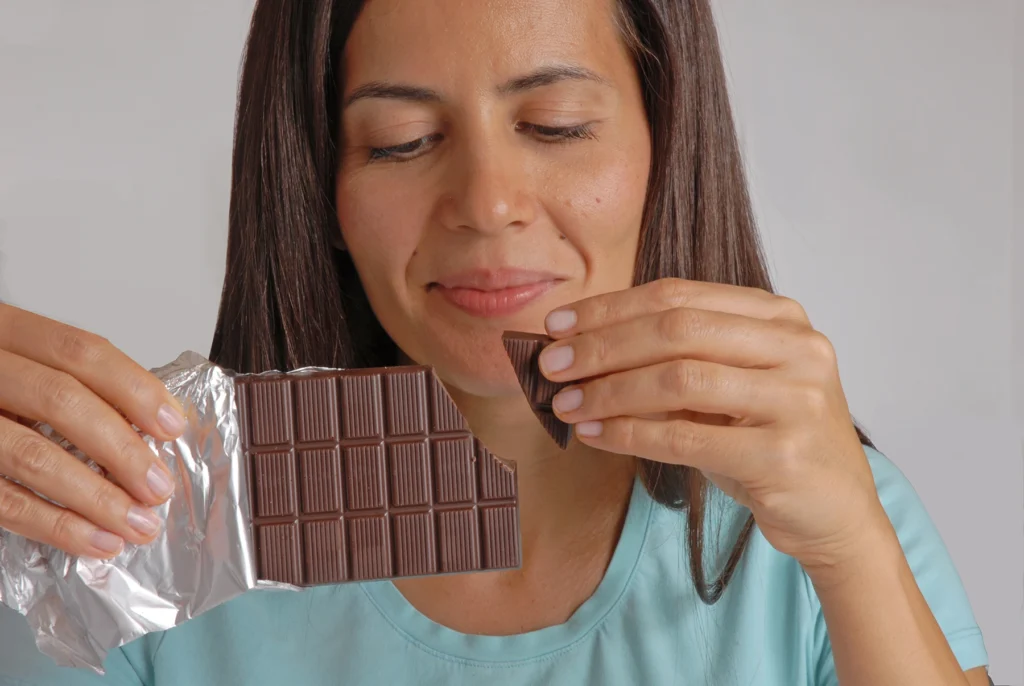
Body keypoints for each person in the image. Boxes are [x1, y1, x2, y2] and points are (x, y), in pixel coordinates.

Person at [0, 0, 993, 684]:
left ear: (665, 137)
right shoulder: (132, 539)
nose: (486, 204)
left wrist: (851, 543)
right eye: (400, 140)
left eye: (555, 125)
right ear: (322, 187)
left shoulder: (814, 524)